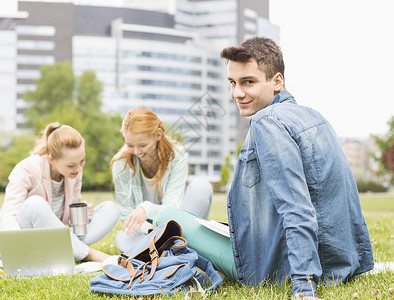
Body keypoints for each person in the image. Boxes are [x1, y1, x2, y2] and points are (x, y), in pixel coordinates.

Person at [156, 37, 374, 299]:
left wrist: (304, 286)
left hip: (285, 269)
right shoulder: (315, 116)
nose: (238, 93)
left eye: (249, 82)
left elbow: (297, 208)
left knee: (166, 217)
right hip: (342, 263)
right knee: (208, 226)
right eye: (233, 83)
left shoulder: (266, 122)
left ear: (277, 81)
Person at [0, 122, 119, 262]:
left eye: (82, 161)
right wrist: (18, 249)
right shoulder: (27, 168)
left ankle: (65, 249)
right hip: (26, 237)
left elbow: (66, 221)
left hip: (56, 237)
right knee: (35, 204)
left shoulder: (74, 173)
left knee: (111, 209)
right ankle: (88, 254)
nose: (78, 168)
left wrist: (82, 214)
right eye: (71, 165)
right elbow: (9, 214)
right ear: (51, 159)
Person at [111, 108, 213, 252]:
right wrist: (152, 230)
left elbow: (173, 207)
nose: (136, 151)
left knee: (202, 187)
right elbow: (127, 215)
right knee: (122, 238)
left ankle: (171, 246)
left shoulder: (177, 155)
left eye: (142, 145)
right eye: (130, 145)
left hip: (177, 223)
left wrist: (146, 208)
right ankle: (175, 248)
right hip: (147, 232)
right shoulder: (121, 163)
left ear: (158, 134)